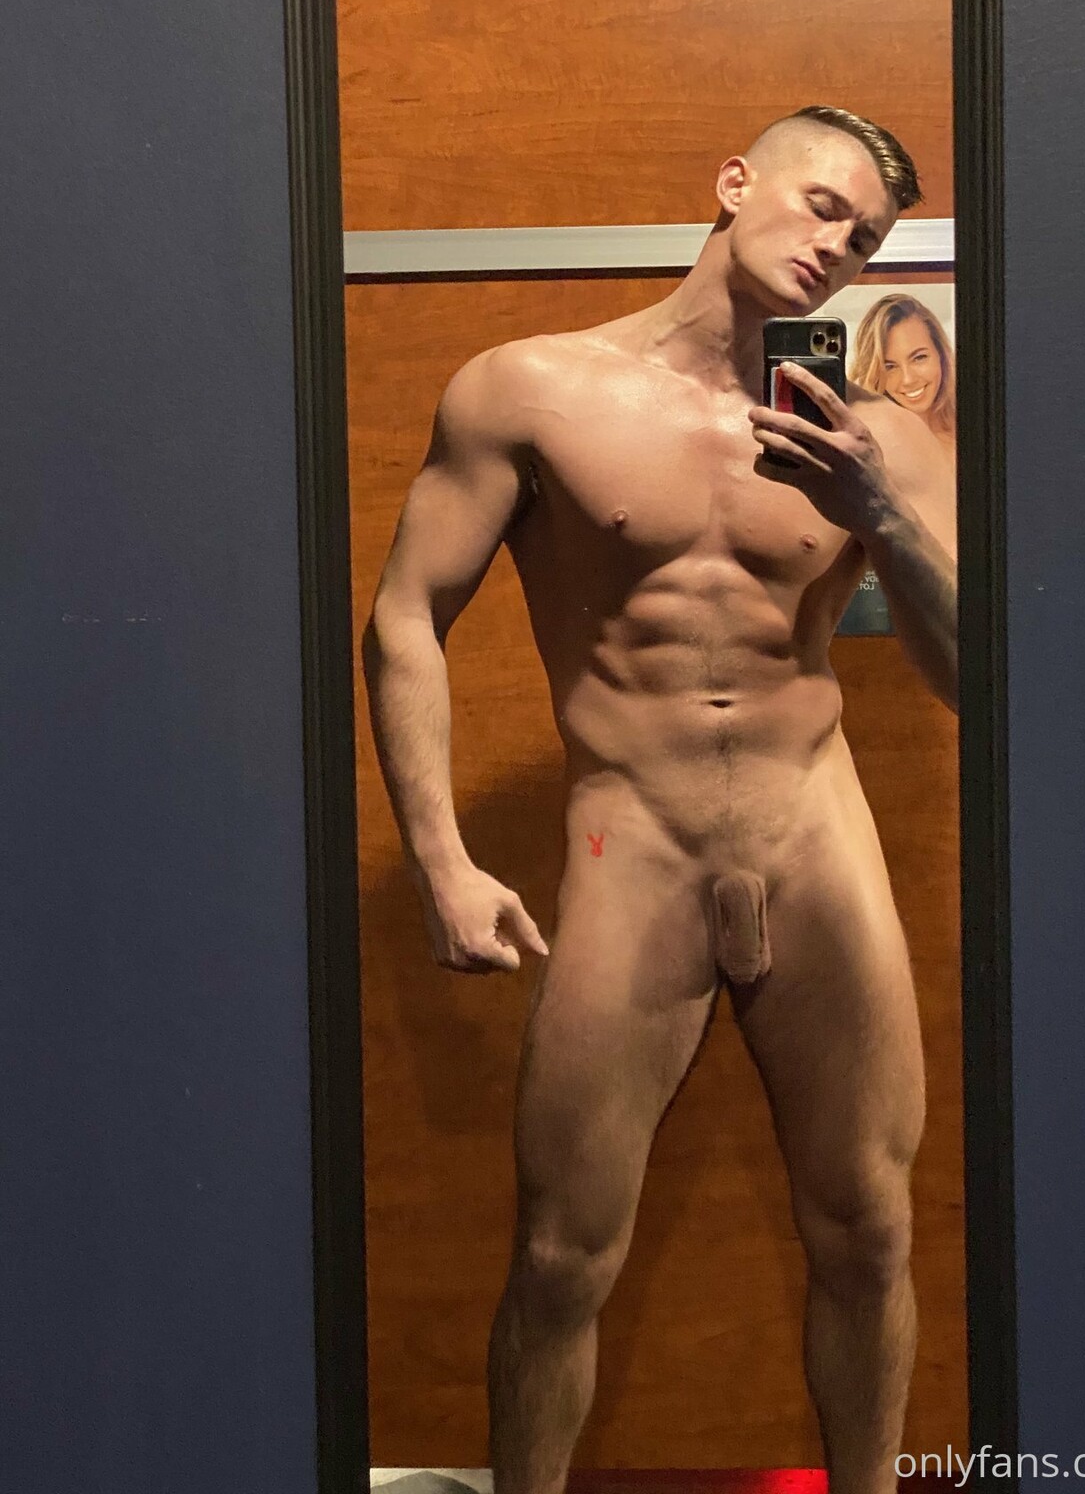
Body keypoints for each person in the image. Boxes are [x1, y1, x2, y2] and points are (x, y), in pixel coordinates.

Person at [362, 105, 957, 1494]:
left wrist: (880, 513)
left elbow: (973, 671)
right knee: (563, 1251)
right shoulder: (530, 390)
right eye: (821, 206)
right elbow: (404, 618)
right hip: (632, 831)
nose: (837, 247)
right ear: (735, 182)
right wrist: (442, 858)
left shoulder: (876, 436)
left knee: (869, 1230)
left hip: (814, 826)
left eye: (865, 241)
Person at [849, 293, 956, 450]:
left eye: (919, 358)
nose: (908, 379)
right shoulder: (871, 444)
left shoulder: (977, 420)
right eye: (890, 367)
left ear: (941, 354)